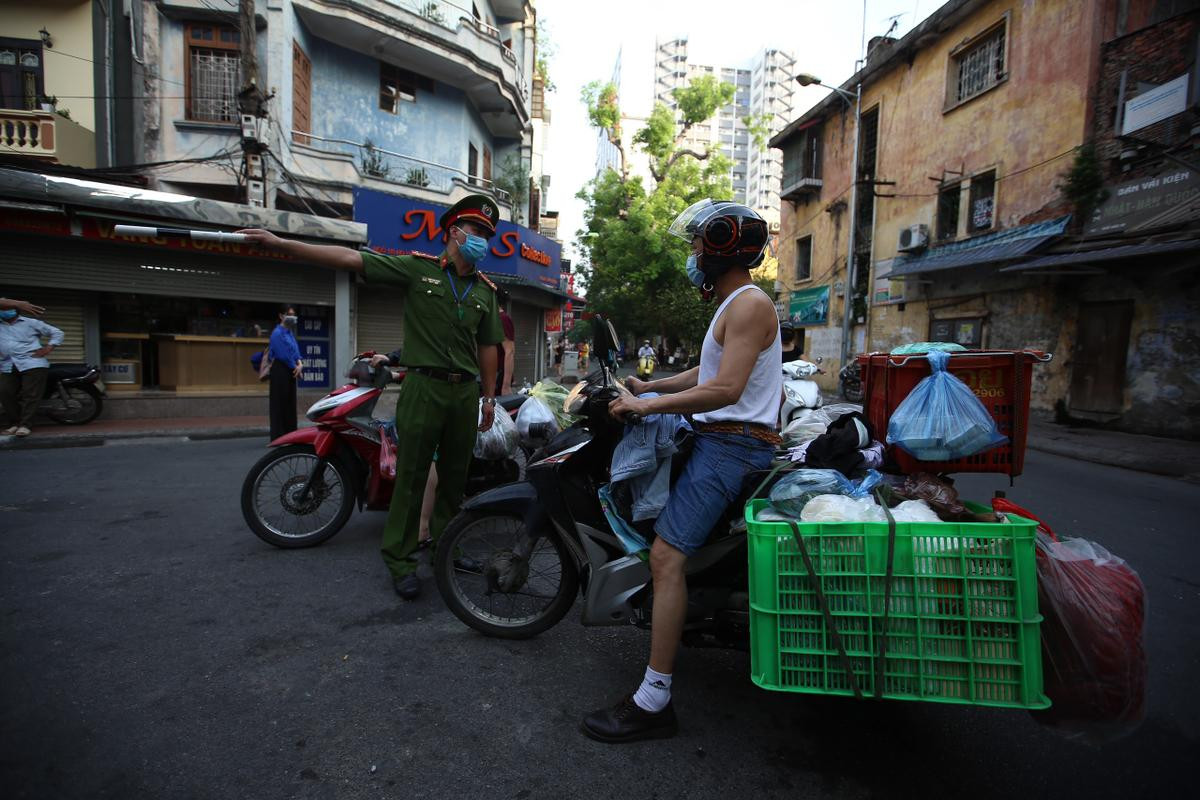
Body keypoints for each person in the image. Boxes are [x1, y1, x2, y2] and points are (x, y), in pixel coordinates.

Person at [582, 199, 782, 743]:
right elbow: (708, 369)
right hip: (721, 437)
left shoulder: (748, 305)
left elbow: (726, 389)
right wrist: (653, 385)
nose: (691, 252)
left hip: (734, 445)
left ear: (720, 246)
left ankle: (653, 701)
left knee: (666, 557)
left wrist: (647, 408)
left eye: (697, 242)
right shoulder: (733, 304)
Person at [237, 194, 503, 600]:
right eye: (477, 230)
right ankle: (400, 560)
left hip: (464, 395)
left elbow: (488, 349)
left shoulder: (485, 292)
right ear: (454, 231)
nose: (483, 239)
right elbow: (350, 260)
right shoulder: (418, 270)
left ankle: (447, 551)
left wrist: (488, 398)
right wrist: (282, 244)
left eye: (488, 233)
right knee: (411, 479)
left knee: (453, 482)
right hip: (423, 390)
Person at [0, 300, 64, 437]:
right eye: (2, 309)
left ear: (16, 310)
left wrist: (48, 348)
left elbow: (57, 332)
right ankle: (14, 423)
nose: (4, 312)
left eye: (7, 309)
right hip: (7, 364)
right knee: (5, 392)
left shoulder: (31, 323)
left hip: (32, 363)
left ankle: (25, 425)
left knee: (30, 394)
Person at [268, 304, 303, 440]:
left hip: (291, 370)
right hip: (280, 370)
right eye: (289, 314)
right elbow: (282, 354)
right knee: (279, 403)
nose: (292, 317)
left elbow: (295, 351)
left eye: (293, 314)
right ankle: (278, 436)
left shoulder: (289, 333)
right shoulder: (277, 333)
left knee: (289, 403)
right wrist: (296, 367)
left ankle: (290, 433)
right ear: (281, 316)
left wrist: (299, 362)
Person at [495, 288, 516, 395]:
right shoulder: (491, 318)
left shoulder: (502, 319)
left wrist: (506, 386)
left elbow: (510, 351)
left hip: (498, 380)